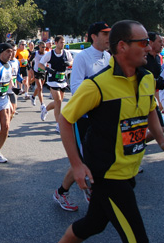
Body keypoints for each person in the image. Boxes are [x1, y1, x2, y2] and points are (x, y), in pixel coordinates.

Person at [58, 20, 164, 242]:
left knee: (92, 224)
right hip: (108, 175)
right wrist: (77, 164)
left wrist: (162, 141)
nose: (149, 47)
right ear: (122, 46)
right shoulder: (96, 85)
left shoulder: (146, 79)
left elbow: (151, 108)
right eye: (143, 42)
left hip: (129, 171)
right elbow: (65, 120)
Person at [53, 22, 111, 211]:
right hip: (85, 118)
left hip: (102, 117)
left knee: (99, 156)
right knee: (83, 159)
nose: (108, 37)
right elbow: (76, 88)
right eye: (105, 34)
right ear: (93, 36)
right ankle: (62, 192)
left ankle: (94, 187)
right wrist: (97, 95)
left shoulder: (109, 57)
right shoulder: (83, 58)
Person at [39, 35, 73, 133]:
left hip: (62, 80)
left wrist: (69, 63)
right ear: (56, 43)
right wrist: (47, 69)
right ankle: (58, 125)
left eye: (64, 42)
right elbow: (40, 64)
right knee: (58, 100)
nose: (63, 44)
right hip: (53, 80)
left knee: (58, 102)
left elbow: (72, 61)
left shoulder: (66, 53)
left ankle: (45, 109)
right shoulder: (50, 54)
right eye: (61, 42)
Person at [30, 41, 47, 110]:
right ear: (39, 46)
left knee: (40, 87)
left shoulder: (47, 54)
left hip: (43, 72)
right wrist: (30, 69)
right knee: (40, 88)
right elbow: (29, 61)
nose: (44, 48)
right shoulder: (35, 53)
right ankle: (42, 104)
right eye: (42, 47)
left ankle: (33, 96)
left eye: (45, 47)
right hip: (36, 71)